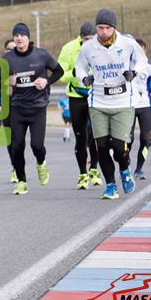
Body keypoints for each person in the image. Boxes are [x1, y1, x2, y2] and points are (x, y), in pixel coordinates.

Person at [75, 9, 149, 200]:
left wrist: (134, 72)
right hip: (98, 102)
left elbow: (142, 60)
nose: (104, 32)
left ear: (114, 28)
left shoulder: (127, 44)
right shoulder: (88, 47)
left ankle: (124, 169)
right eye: (100, 28)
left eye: (108, 28)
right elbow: (79, 67)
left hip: (123, 102)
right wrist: (85, 78)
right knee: (100, 146)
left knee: (118, 147)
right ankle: (110, 186)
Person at [0, 23, 63, 195]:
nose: (19, 38)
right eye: (16, 35)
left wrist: (47, 81)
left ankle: (41, 163)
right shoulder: (7, 58)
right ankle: (21, 181)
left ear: (28, 37)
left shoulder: (41, 55)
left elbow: (59, 71)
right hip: (17, 109)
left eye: (22, 35)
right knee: (17, 146)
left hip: (37, 108)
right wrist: (6, 81)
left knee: (36, 145)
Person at [57, 22, 101, 189]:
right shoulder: (69, 49)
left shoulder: (102, 47)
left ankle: (94, 169)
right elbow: (60, 75)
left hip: (96, 96)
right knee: (80, 137)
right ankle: (82, 174)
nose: (89, 42)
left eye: (92, 39)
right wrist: (75, 73)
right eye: (86, 40)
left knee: (96, 135)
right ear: (80, 38)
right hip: (76, 97)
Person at [129, 39, 151, 180]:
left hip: (145, 106)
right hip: (129, 105)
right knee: (128, 139)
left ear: (144, 51)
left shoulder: (149, 68)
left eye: (141, 49)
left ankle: (139, 169)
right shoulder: (125, 65)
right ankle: (125, 164)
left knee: (146, 139)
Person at [0, 39, 17, 170]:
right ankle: (15, 167)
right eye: (9, 49)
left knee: (19, 138)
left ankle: (18, 166)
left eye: (14, 49)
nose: (11, 52)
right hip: (3, 105)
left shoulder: (25, 64)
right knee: (9, 137)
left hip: (21, 105)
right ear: (5, 50)